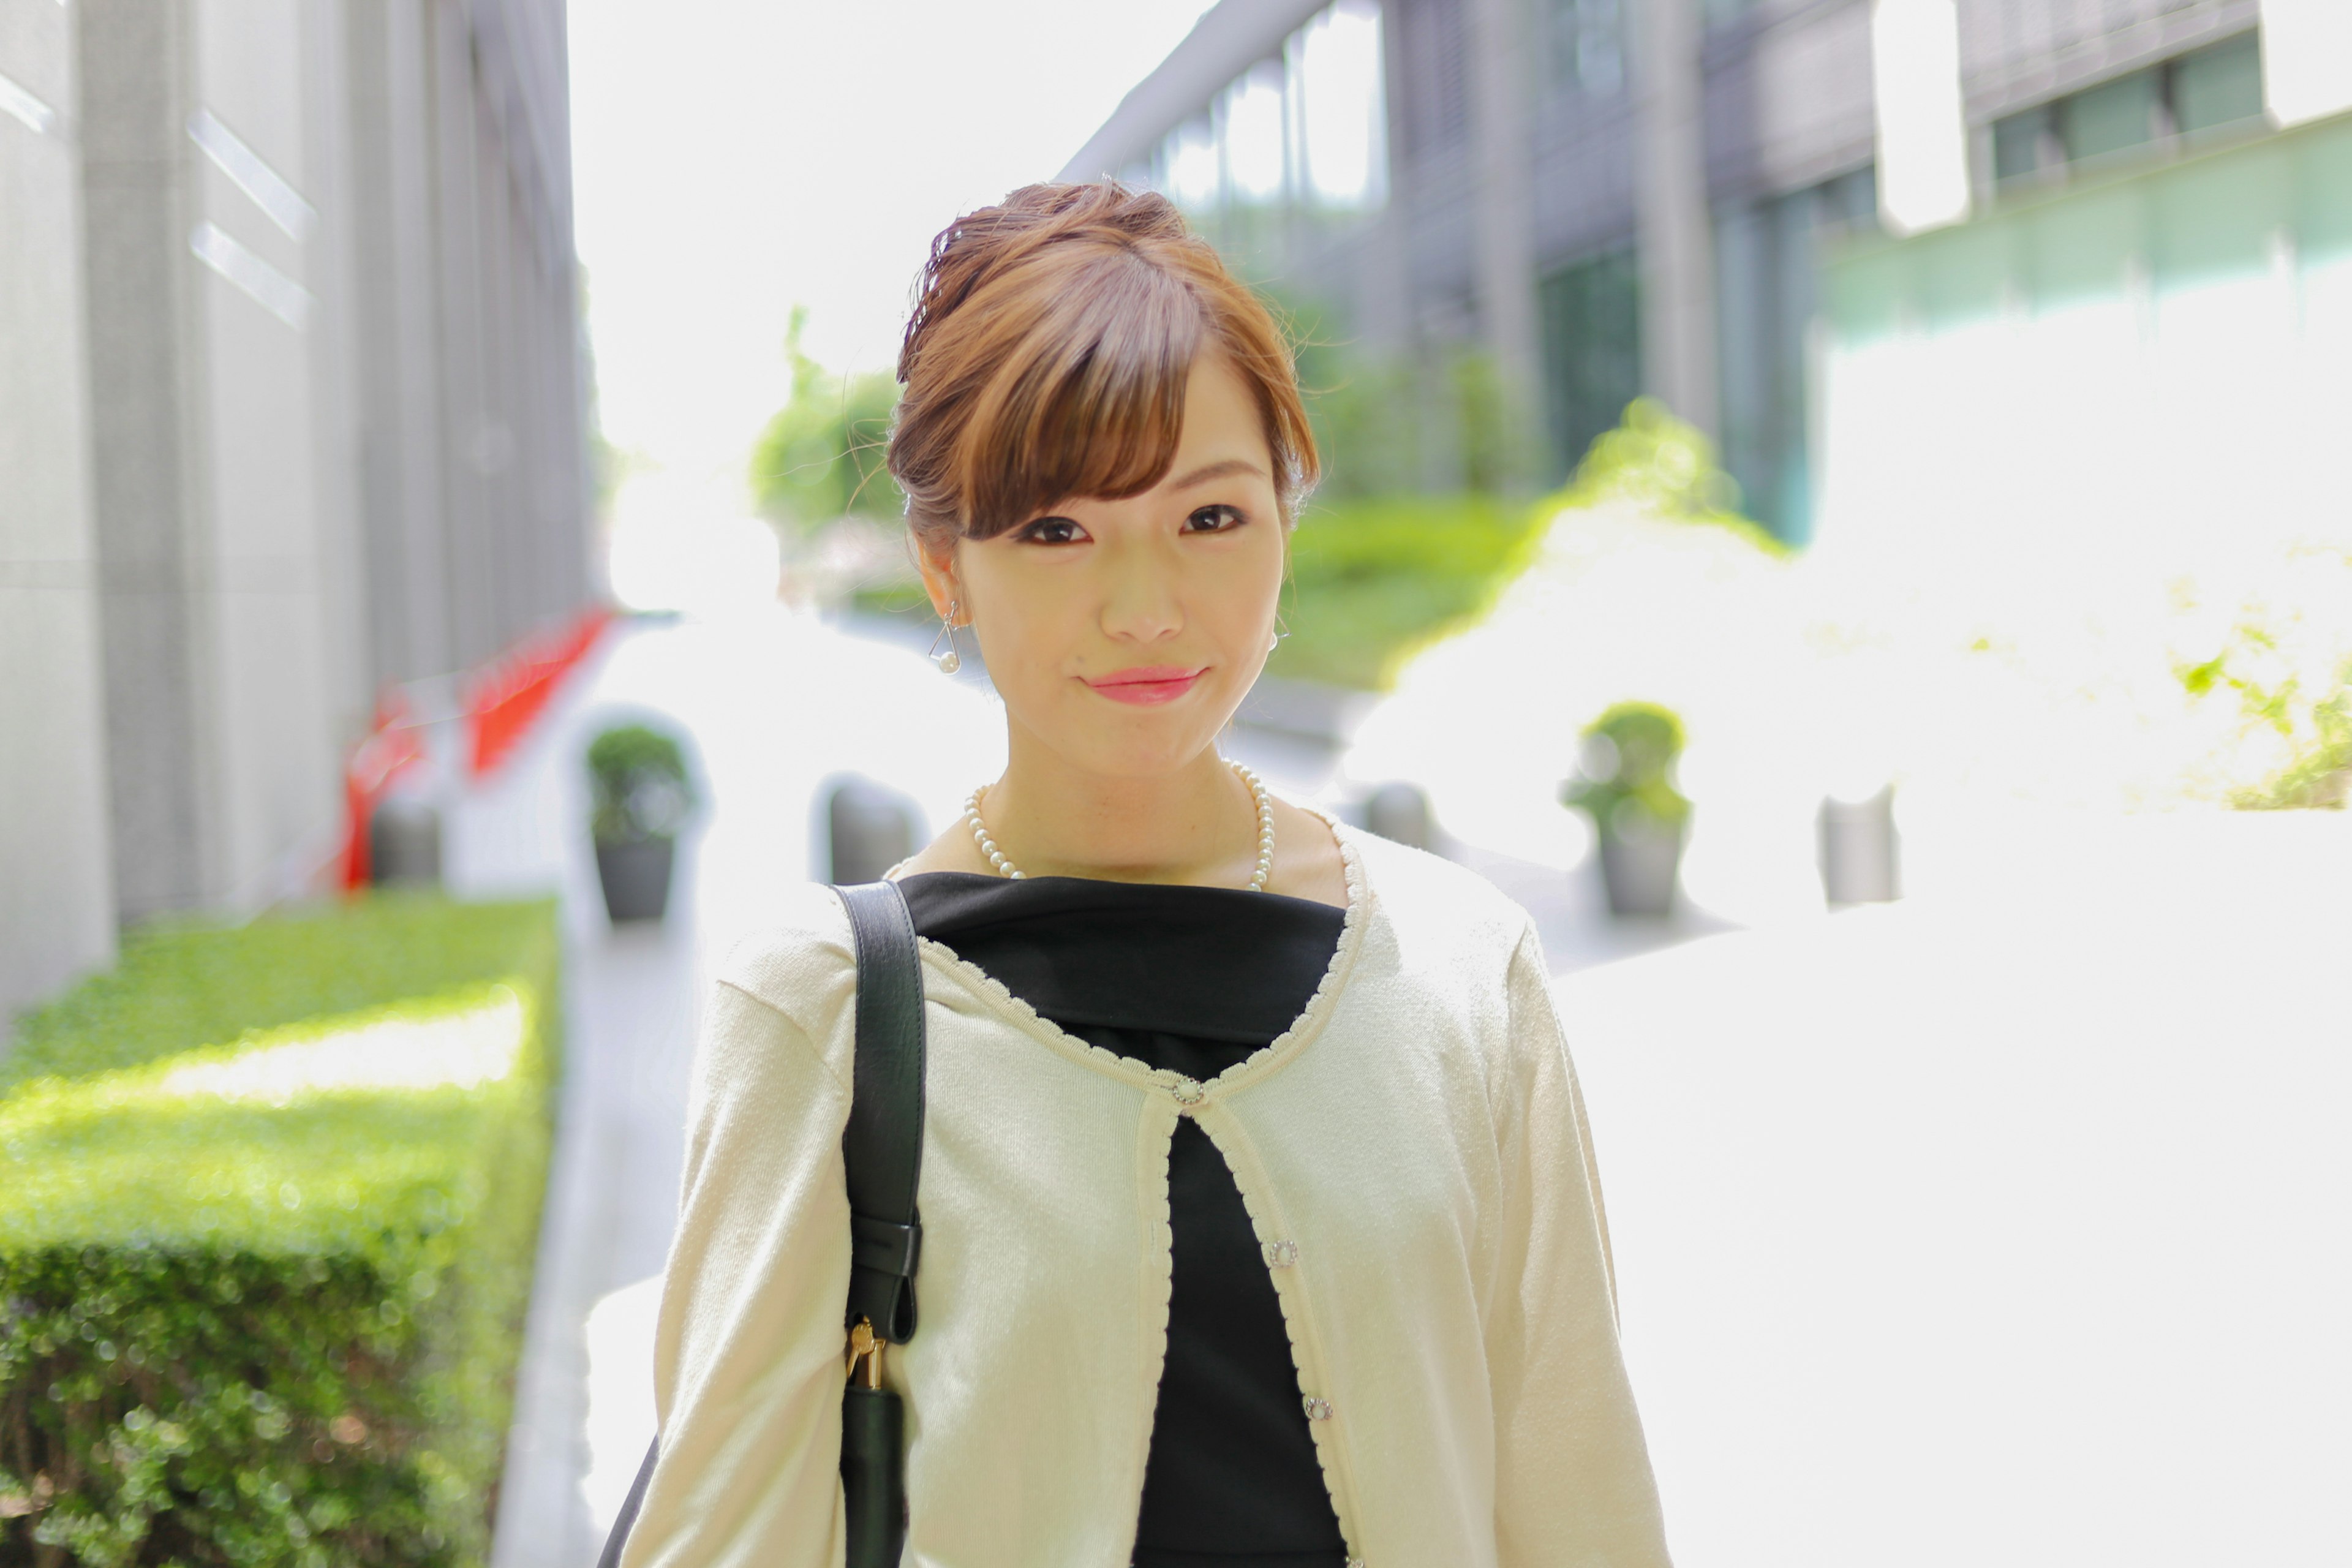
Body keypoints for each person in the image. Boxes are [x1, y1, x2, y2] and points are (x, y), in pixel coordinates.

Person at [622, 183, 1670, 1567]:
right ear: (946, 566)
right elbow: (726, 1539)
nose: (1146, 606)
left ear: (1285, 523)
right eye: (1057, 529)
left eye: (1211, 517)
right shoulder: (823, 1010)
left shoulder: (1463, 967)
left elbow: (1575, 1481)